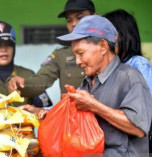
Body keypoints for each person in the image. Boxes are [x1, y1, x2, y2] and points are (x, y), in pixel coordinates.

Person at [56, 15, 152, 156]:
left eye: (80, 53)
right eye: (75, 55)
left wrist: (94, 105)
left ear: (103, 46)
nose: (77, 61)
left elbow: (138, 128)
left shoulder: (129, 77)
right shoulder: (87, 82)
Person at [8, 0, 96, 98]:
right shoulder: (61, 55)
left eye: (80, 18)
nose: (74, 24)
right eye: (69, 20)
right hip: (71, 112)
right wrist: (20, 85)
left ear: (95, 17)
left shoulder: (107, 49)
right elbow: (40, 81)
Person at [0, 21, 52, 107]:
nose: (3, 49)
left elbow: (46, 109)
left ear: (14, 48)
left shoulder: (28, 75)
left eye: (8, 45)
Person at [104, 9, 152, 155]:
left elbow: (144, 110)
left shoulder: (138, 64)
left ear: (120, 36)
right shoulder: (111, 68)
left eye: (107, 34)